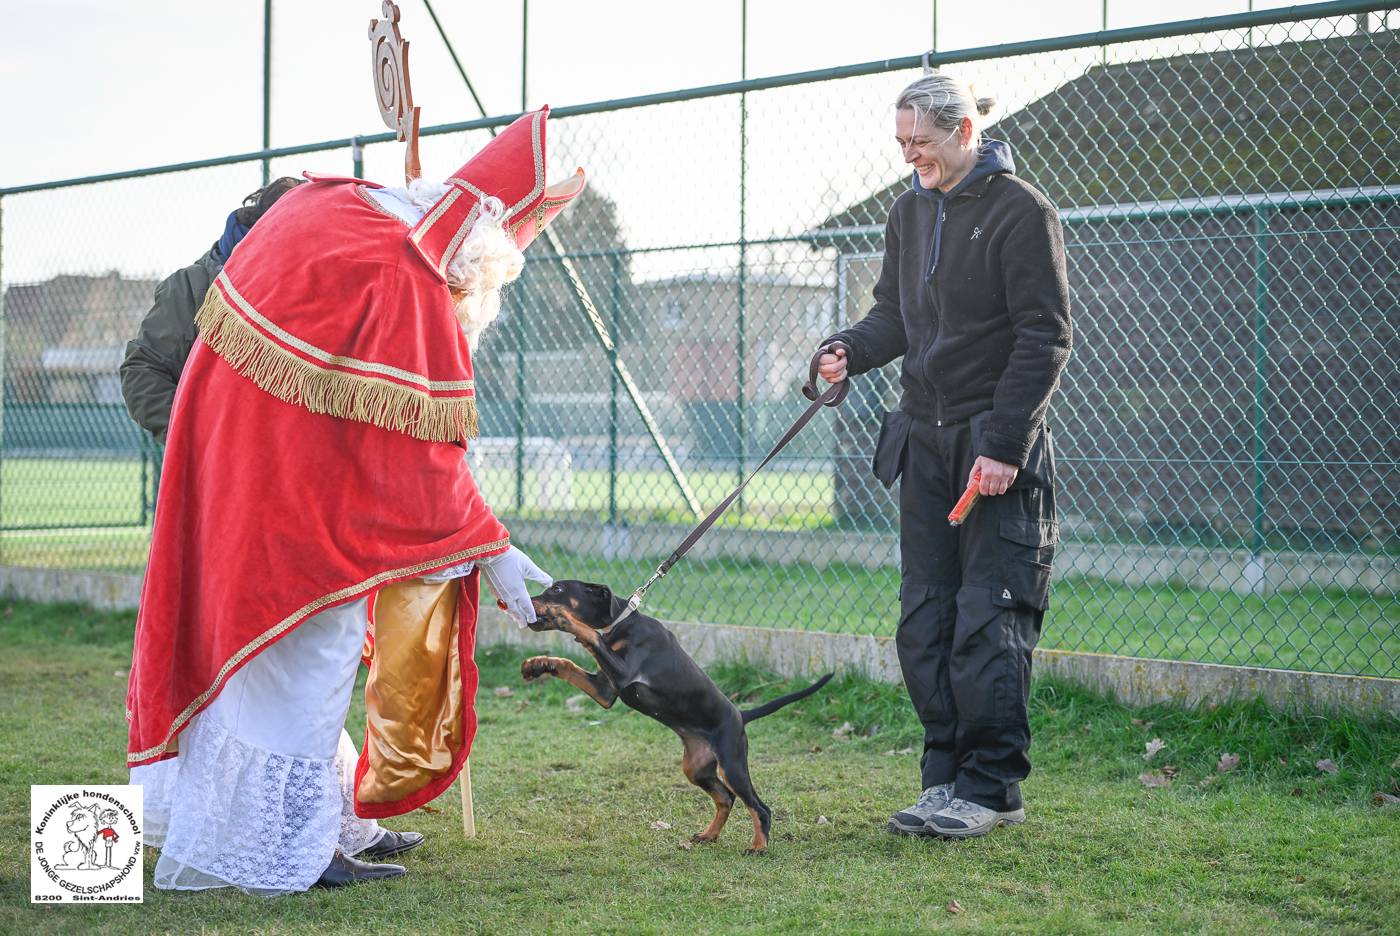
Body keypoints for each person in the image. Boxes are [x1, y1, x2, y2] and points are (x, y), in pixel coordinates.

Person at [126, 106, 586, 893]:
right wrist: (495, 552)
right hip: (293, 506)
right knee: (312, 661)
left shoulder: (337, 205)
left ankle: (312, 827)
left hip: (247, 480)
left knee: (264, 671)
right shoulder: (403, 273)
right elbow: (418, 463)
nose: (478, 293)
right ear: (477, 243)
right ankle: (295, 856)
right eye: (485, 275)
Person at [817, 75, 1072, 838]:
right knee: (925, 615)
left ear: (964, 133)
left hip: (990, 446)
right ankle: (942, 780)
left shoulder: (1022, 211)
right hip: (920, 441)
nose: (909, 158)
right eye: (901, 145)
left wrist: (1003, 446)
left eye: (920, 144)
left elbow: (1044, 336)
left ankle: (991, 789)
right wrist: (846, 352)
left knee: (987, 618)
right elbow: (892, 316)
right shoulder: (908, 210)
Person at [120, 177, 303, 443]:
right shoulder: (192, 286)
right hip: (219, 466)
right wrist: (203, 439)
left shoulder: (311, 286)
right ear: (264, 227)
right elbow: (143, 371)